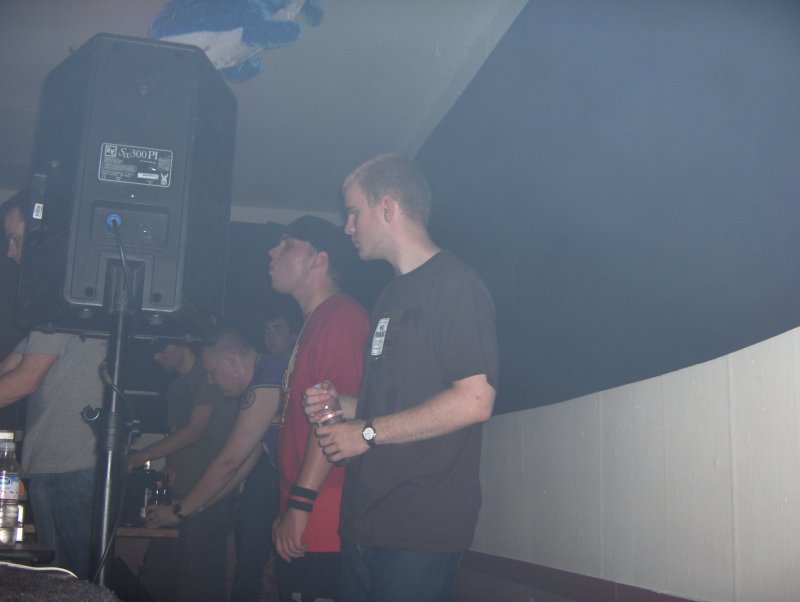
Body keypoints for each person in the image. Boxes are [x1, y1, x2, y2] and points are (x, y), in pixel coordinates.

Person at [303, 154, 499, 602]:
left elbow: (475, 400)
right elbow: (390, 403)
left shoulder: (455, 285)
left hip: (419, 530)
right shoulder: (388, 296)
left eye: (354, 212)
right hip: (364, 523)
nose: (347, 227)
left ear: (387, 208)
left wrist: (365, 433)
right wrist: (342, 403)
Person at [0, 195, 106, 579]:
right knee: (63, 582)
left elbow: (24, 380)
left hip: (70, 468)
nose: (10, 252)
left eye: (16, 239)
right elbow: (12, 365)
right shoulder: (58, 297)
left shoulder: (62, 297)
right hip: (58, 465)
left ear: (43, 235)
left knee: (72, 586)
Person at [267, 216, 370, 601]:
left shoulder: (340, 318)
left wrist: (299, 505)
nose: (272, 252)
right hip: (307, 515)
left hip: (325, 520)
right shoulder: (314, 323)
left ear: (319, 259)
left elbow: (333, 419)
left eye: (287, 244)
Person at [145, 329, 286, 602]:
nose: (210, 381)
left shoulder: (265, 381)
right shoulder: (267, 376)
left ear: (232, 361)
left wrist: (180, 512)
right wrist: (193, 508)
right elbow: (240, 468)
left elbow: (228, 462)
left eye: (212, 372)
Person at [129, 342, 239, 602]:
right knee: (158, 578)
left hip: (209, 494)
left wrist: (142, 455)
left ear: (182, 344)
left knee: (196, 583)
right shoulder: (175, 387)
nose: (157, 357)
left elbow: (194, 429)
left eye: (162, 349)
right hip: (179, 493)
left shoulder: (207, 376)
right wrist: (170, 464)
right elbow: (175, 432)